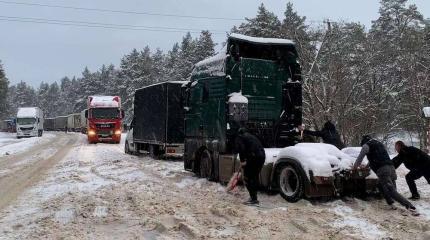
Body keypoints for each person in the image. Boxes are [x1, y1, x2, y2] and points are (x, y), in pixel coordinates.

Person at [353, 135, 419, 216]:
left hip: (383, 170)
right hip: (391, 168)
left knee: (392, 192)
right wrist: (366, 167)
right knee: (380, 185)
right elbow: (375, 158)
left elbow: (360, 157)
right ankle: (391, 203)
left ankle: (410, 206)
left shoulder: (366, 145)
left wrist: (354, 167)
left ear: (363, 142)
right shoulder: (379, 144)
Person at [234, 128, 266, 205]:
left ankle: (253, 199)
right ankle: (254, 197)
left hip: (253, 158)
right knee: (254, 177)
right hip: (262, 157)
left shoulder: (240, 138)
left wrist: (242, 161)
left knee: (247, 178)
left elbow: (241, 149)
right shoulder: (252, 137)